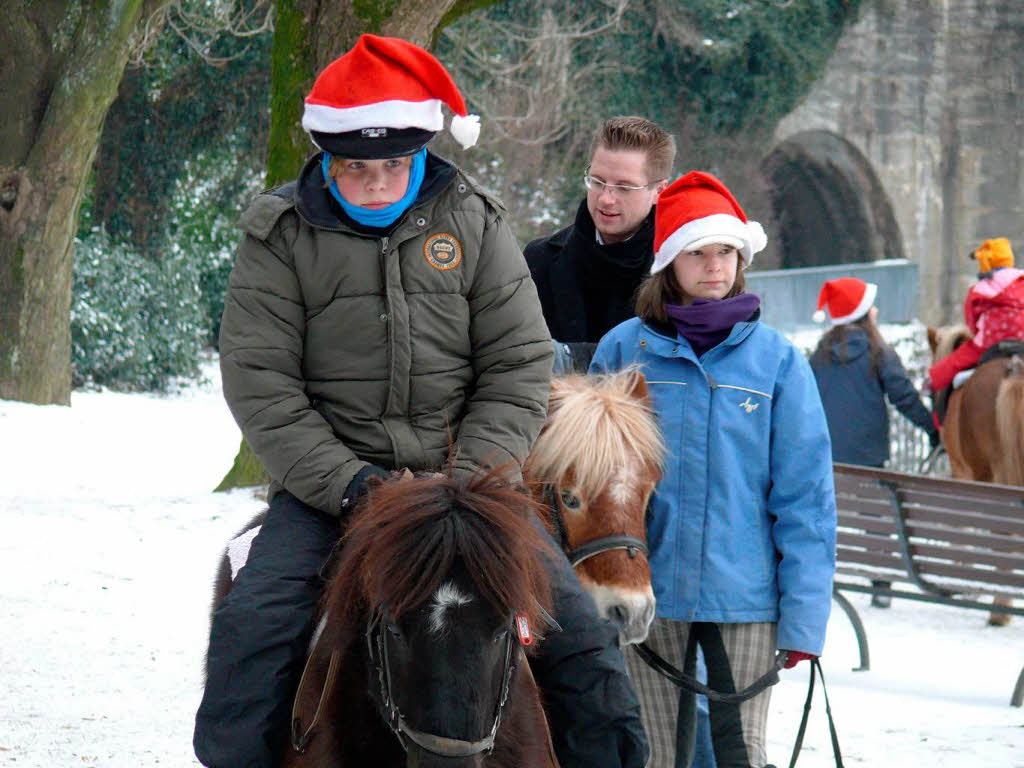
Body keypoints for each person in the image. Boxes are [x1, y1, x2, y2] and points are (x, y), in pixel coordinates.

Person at [194, 34, 648, 768]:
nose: (376, 184)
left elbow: (519, 360)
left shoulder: (473, 219)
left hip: (472, 489)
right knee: (256, 625)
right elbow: (261, 383)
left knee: (585, 647)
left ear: (422, 154)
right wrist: (351, 484)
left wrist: (471, 476)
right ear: (327, 158)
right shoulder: (278, 234)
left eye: (394, 166)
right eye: (356, 168)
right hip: (332, 493)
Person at [590, 171, 837, 768]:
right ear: (670, 263)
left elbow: (806, 498)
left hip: (746, 598)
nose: (713, 266)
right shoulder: (625, 351)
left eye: (725, 251)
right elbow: (587, 484)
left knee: (741, 755)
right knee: (654, 754)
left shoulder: (777, 361)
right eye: (697, 252)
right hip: (649, 592)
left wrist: (804, 618)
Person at [525, 116, 674, 373]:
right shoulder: (539, 259)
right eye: (597, 182)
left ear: (659, 191)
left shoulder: (677, 270)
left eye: (624, 187)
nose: (605, 199)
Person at [928, 237, 1024, 393]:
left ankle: (931, 385)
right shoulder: (1021, 280)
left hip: (990, 342)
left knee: (954, 362)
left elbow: (971, 324)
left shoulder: (979, 289)